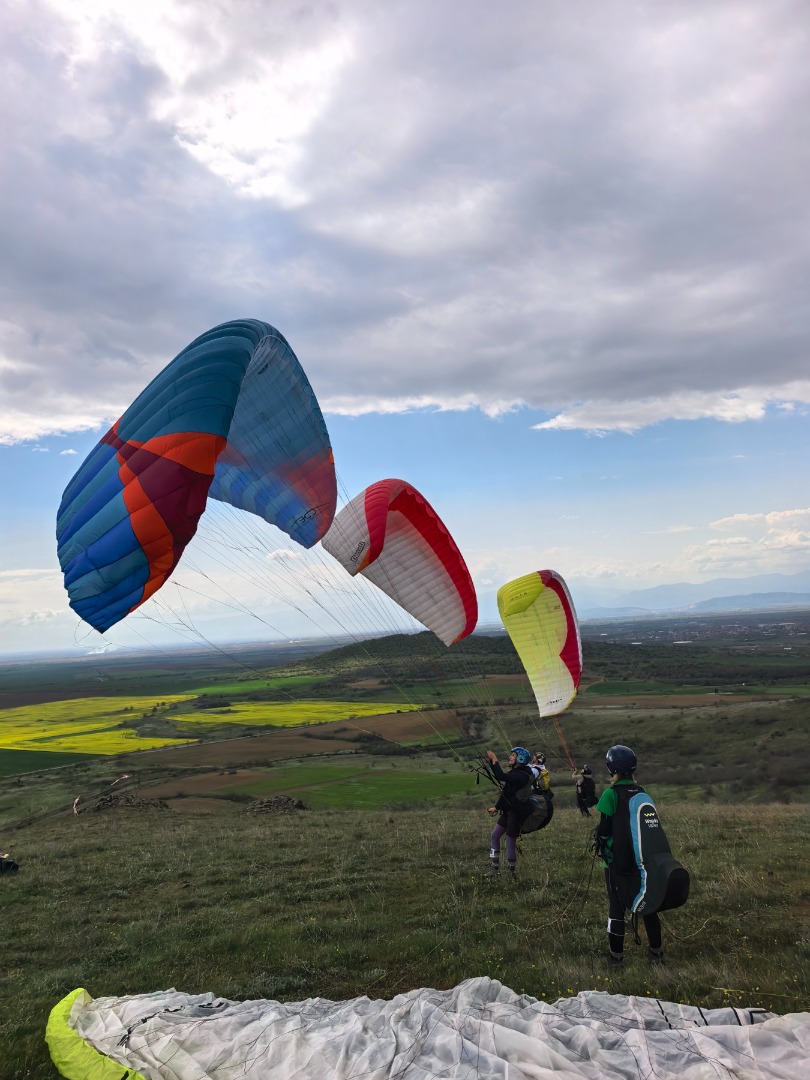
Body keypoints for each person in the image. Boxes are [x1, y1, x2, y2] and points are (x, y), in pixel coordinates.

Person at [594, 745, 665, 965]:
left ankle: (616, 959)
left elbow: (604, 829)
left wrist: (599, 840)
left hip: (616, 861)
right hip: (642, 860)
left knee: (616, 907)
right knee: (648, 904)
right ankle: (656, 953)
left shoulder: (610, 794)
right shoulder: (642, 792)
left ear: (611, 769)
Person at [484, 746, 535, 879]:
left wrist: (495, 759)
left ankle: (511, 872)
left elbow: (501, 776)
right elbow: (506, 792)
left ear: (520, 759)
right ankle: (494, 867)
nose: (510, 757)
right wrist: (496, 807)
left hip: (517, 813)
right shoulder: (515, 773)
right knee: (495, 836)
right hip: (508, 811)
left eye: (513, 755)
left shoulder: (522, 776)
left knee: (510, 841)